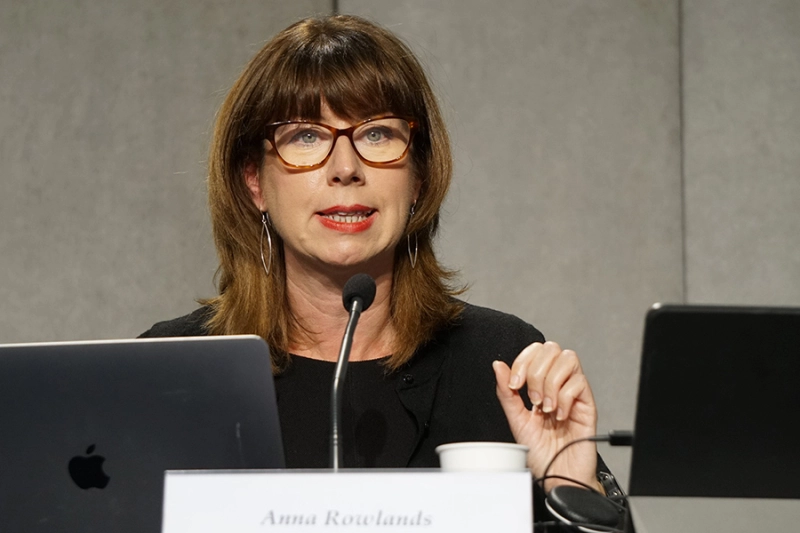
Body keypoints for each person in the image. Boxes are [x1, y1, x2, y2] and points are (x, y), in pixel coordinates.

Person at [141, 14, 620, 516]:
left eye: (376, 135)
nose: (345, 168)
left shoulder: (501, 365)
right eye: (305, 136)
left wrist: (570, 483)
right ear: (254, 181)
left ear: (417, 179)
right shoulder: (168, 370)